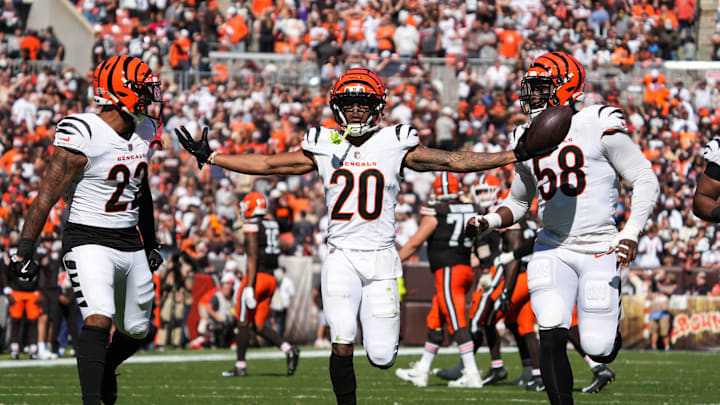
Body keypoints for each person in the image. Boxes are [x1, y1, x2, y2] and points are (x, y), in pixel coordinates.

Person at [177, 67, 559, 405]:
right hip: (341, 256)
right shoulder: (322, 143)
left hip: (380, 259)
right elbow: (267, 164)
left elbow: (452, 161)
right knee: (341, 339)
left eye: (364, 104)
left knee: (380, 355)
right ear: (336, 106)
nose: (357, 110)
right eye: (350, 103)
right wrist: (213, 157)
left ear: (377, 107)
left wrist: (513, 154)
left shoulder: (396, 140)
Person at [466, 52, 659, 405]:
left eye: (541, 88)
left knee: (598, 349)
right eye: (532, 88)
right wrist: (490, 221)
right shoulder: (527, 137)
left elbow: (645, 178)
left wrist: (630, 232)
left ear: (565, 88)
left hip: (600, 244)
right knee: (551, 329)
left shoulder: (597, 121)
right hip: (552, 246)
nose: (532, 96)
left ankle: (605, 337)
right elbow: (519, 202)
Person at [9, 55, 165, 405]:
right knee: (99, 316)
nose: (150, 95)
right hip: (88, 237)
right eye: (142, 88)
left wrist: (151, 240)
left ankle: (103, 367)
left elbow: (142, 190)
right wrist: (24, 250)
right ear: (120, 91)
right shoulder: (83, 133)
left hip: (129, 239)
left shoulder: (144, 130)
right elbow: (47, 194)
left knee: (139, 329)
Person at [394, 173, 484, 388]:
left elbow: (415, 243)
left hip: (449, 272)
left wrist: (392, 262)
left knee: (457, 322)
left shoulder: (436, 211)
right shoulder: (472, 207)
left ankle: (472, 373)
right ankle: (422, 371)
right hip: (464, 269)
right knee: (435, 320)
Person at [222, 192, 300, 377]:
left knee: (242, 322)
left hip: (256, 278)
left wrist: (249, 285)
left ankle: (240, 366)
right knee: (258, 326)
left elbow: (252, 256)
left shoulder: (252, 225)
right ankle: (288, 349)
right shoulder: (271, 224)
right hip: (271, 279)